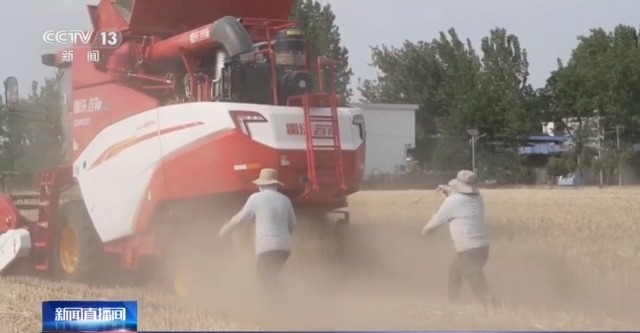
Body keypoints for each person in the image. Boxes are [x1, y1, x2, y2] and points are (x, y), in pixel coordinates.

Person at [422, 170, 493, 308]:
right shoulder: (478, 197)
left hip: (468, 250)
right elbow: (461, 200)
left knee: (476, 282)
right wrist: (449, 191)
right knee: (455, 271)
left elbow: (437, 220)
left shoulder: (453, 201)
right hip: (482, 249)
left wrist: (425, 231)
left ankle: (492, 307)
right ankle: (453, 303)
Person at [218, 168, 297, 293]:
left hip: (266, 247)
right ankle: (283, 303)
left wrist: (226, 229)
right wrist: (282, 237)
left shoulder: (256, 198)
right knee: (273, 277)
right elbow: (293, 224)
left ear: (261, 185)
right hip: (284, 249)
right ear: (275, 185)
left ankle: (275, 308)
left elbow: (241, 219)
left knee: (265, 279)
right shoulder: (285, 200)